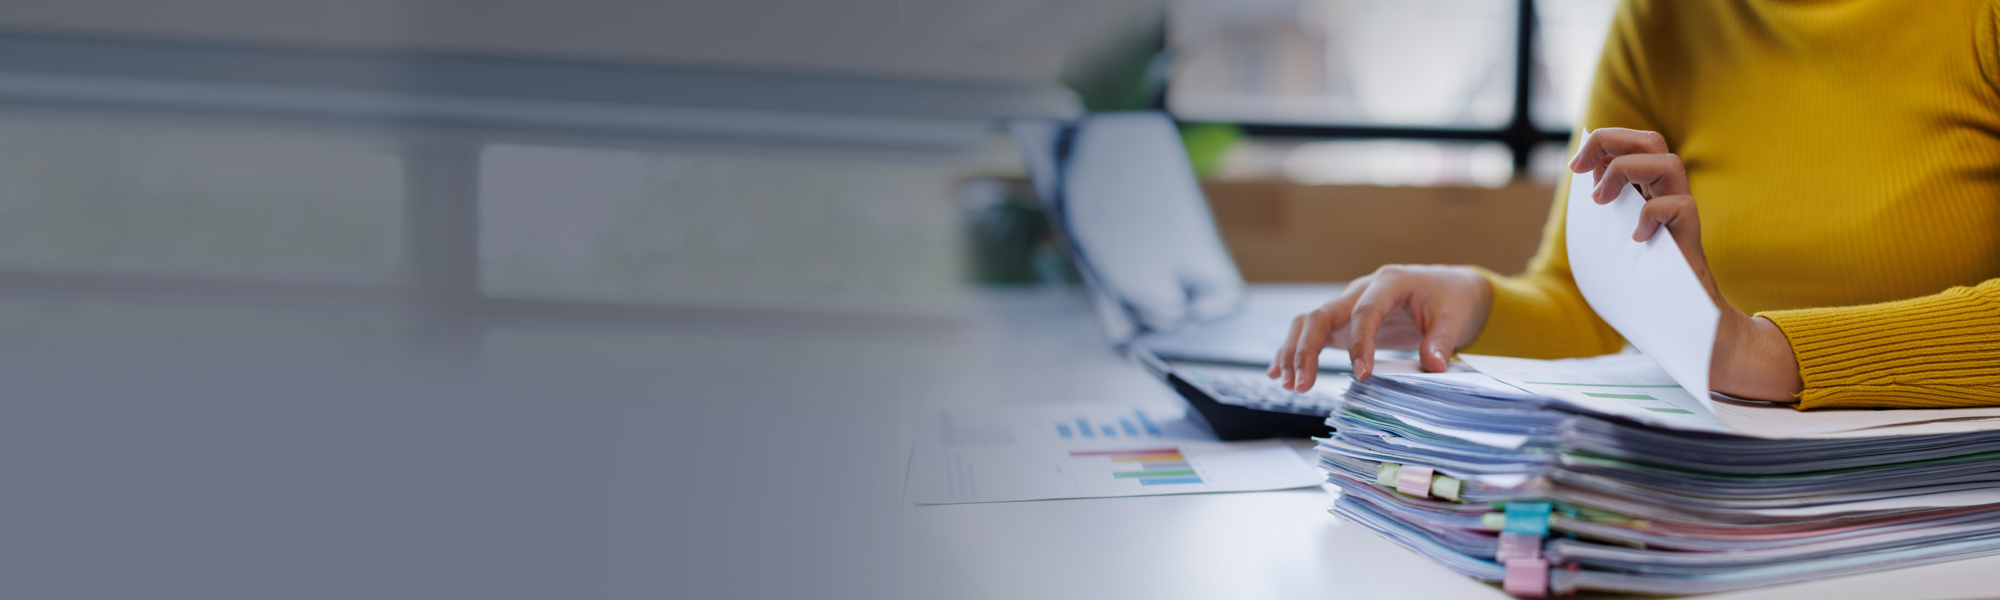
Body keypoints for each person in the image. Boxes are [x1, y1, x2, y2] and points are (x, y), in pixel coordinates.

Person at [1268, 0, 2000, 410]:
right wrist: (1469, 300)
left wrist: (1759, 354)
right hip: (1724, 493)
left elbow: (1722, 347)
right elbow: (1589, 303)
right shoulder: (1662, 20)